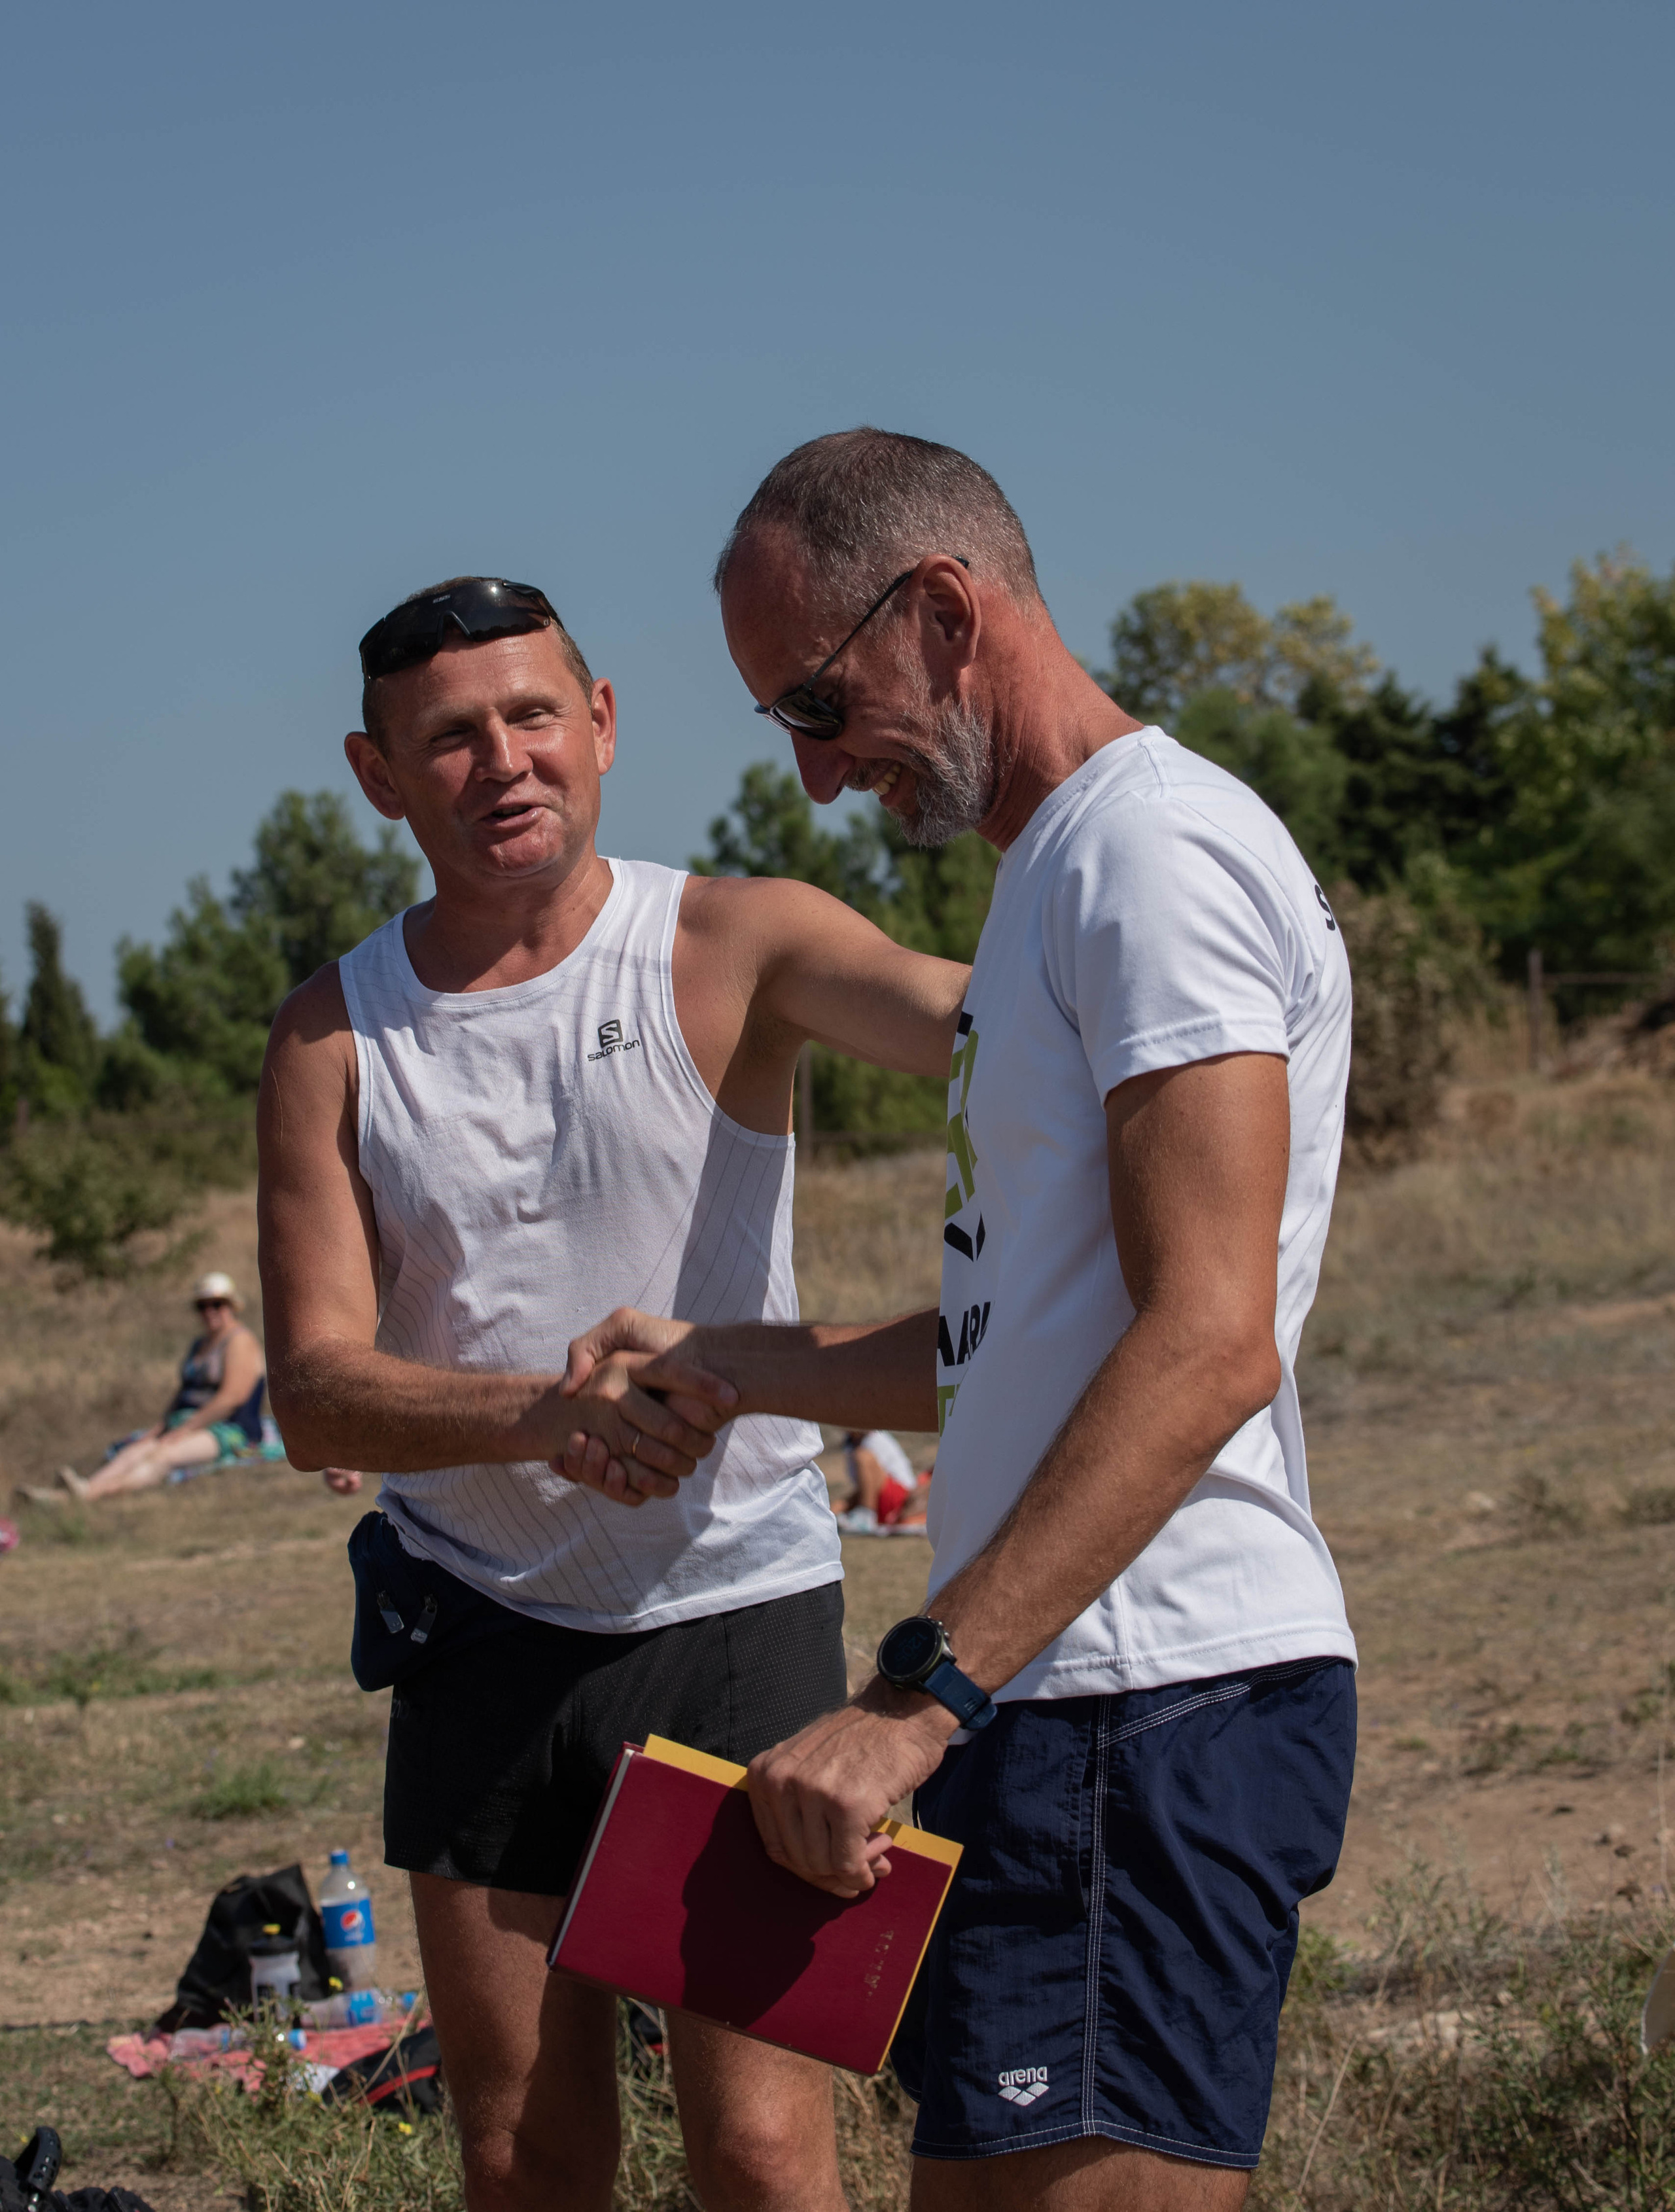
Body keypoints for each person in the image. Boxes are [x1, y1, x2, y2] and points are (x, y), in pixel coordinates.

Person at [559, 432, 1358, 2211]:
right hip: (1072, 1696)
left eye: (823, 704)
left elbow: (1213, 1333)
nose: (823, 775)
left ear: (942, 607)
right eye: (785, 724)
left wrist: (919, 1700)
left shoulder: (1147, 859)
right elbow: (1031, 1328)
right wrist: (746, 1360)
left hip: (1137, 1695)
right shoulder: (1058, 886)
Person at [256, 574, 968, 2212]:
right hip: (477, 1624)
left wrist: (1189, 933)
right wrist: (546, 1415)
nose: (500, 761)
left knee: (762, 2151)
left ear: (602, 724)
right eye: (447, 737)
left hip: (732, 1612)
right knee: (518, 2151)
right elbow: (312, 1394)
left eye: (529, 716)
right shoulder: (330, 1038)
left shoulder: (736, 937)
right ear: (378, 776)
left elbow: (980, 1029)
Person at [27, 1274, 268, 1505]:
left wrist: (185, 1429)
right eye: (202, 1306)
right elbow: (183, 1393)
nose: (209, 1312)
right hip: (189, 1422)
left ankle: (85, 1496)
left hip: (229, 1429)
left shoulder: (240, 1341)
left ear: (232, 1305)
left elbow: (232, 1398)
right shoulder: (200, 1344)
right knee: (136, 1451)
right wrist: (160, 1428)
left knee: (161, 1456)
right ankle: (74, 1494)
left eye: (217, 1304)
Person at [832, 1429, 929, 1532]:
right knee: (837, 1506)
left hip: (900, 1498)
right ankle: (860, 1514)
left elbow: (873, 1485)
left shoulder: (874, 1440)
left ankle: (865, 1515)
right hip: (881, 1500)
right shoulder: (852, 1445)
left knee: (863, 1456)